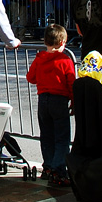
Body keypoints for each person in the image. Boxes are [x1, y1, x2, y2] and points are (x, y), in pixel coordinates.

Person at [26, 24, 75, 187]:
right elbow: (71, 82)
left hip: (43, 99)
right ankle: (58, 169)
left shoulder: (40, 58)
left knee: (46, 135)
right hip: (59, 99)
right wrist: (73, 101)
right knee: (61, 136)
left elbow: (30, 77)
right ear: (62, 42)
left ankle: (47, 166)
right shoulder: (65, 60)